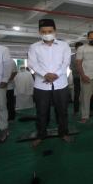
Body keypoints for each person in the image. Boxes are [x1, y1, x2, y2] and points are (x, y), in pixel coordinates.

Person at [28, 19, 72, 147]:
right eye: (44, 31)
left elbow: (66, 63)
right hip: (41, 84)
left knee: (62, 111)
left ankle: (63, 133)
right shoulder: (34, 47)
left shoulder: (64, 46)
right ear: (39, 32)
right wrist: (45, 74)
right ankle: (41, 135)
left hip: (61, 83)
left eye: (50, 31)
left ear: (55, 31)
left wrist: (56, 74)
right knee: (41, 111)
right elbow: (32, 63)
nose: (47, 33)